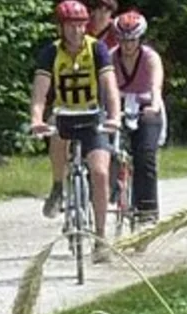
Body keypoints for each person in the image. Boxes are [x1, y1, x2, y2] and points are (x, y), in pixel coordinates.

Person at [30, 0, 122, 263]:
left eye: (81, 25)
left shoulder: (98, 49)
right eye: (71, 26)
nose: (77, 31)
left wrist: (114, 116)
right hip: (64, 114)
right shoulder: (51, 53)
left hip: (93, 114)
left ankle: (101, 237)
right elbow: (40, 91)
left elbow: (110, 86)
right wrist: (37, 118)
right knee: (57, 137)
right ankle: (58, 186)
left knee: (101, 172)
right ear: (60, 27)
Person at [113, 11, 166, 224]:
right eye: (123, 40)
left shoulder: (150, 57)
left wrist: (153, 105)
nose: (127, 46)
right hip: (118, 107)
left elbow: (156, 85)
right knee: (103, 151)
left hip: (146, 108)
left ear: (140, 39)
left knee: (145, 156)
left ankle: (147, 209)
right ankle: (109, 190)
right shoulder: (110, 57)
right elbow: (105, 87)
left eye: (132, 40)